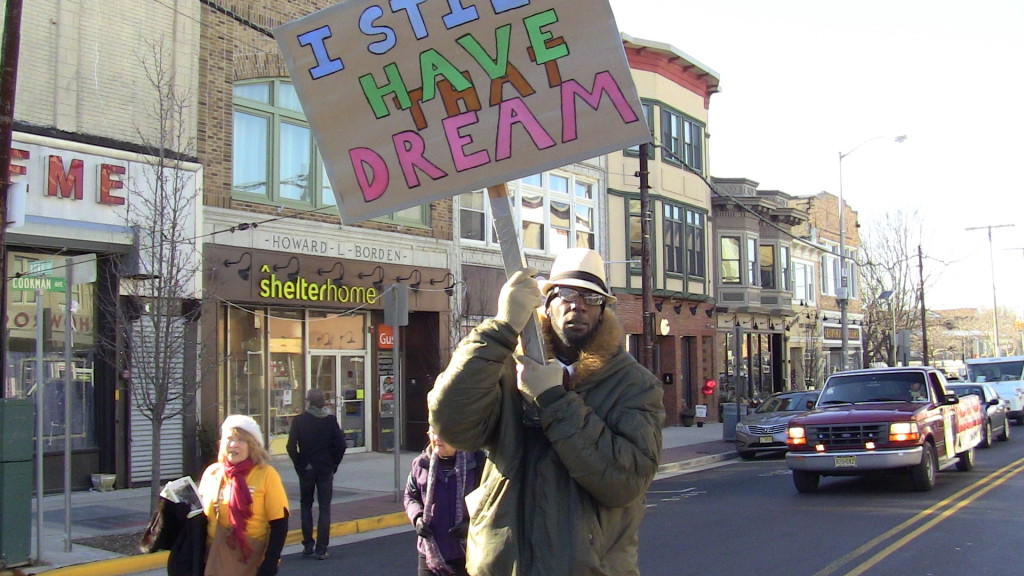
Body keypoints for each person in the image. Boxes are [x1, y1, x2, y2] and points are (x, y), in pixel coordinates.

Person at [428, 248, 665, 576]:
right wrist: (501, 329)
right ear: (547, 302)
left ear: (602, 311)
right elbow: (452, 425)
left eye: (591, 297)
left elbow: (625, 482)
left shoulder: (634, 385)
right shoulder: (507, 367)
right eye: (566, 293)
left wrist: (554, 399)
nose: (577, 304)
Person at [198, 415, 289, 576]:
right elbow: (199, 516)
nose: (233, 444)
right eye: (229, 438)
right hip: (214, 556)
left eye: (240, 440)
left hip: (250, 558)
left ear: (253, 446)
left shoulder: (267, 475)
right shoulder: (213, 473)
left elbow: (280, 523)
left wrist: (270, 563)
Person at [403, 427, 485, 576]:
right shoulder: (420, 464)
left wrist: (470, 525)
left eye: (443, 433)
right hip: (430, 553)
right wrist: (417, 518)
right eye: (433, 433)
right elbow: (410, 497)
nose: (437, 438)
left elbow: (490, 503)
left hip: (467, 554)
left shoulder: (477, 464)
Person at [286, 389, 347, 560]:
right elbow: (341, 445)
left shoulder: (299, 421)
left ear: (308, 402)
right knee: (324, 508)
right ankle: (321, 549)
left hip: (306, 468)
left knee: (306, 505)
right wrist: (334, 462)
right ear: (324, 403)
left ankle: (307, 545)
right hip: (325, 468)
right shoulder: (330, 421)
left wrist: (299, 463)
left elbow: (291, 446)